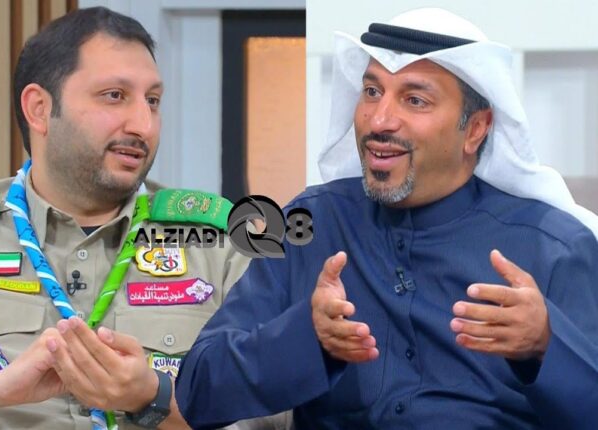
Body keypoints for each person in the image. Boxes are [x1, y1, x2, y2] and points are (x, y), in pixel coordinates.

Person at [176, 8, 598, 430]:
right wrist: (306, 336)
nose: (379, 120)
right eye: (372, 91)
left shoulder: (554, 248)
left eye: (415, 100)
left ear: (475, 129)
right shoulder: (312, 224)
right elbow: (198, 392)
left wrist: (545, 345)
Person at [0, 6, 267, 430]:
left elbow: (275, 410)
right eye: (114, 96)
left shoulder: (221, 246)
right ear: (39, 109)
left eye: (153, 101)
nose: (143, 124)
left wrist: (155, 397)